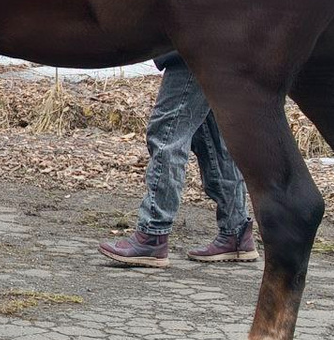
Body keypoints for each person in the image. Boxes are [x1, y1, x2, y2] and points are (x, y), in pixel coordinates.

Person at [98, 51, 258, 268]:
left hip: (194, 48)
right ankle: (236, 233)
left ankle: (153, 235)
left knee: (168, 134)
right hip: (221, 49)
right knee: (210, 138)